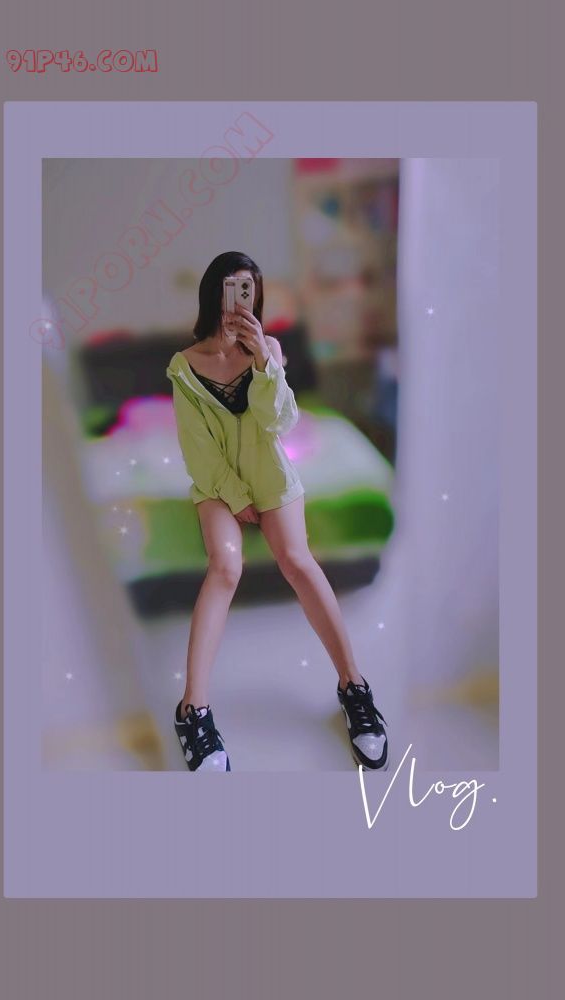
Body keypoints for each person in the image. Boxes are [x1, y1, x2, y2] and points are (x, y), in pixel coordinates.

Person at [165, 251, 389, 773]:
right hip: (216, 484)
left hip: (271, 474)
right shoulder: (184, 366)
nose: (238, 300)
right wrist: (235, 498)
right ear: (213, 294)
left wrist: (266, 363)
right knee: (225, 565)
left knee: (298, 561)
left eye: (248, 290)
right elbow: (199, 450)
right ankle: (192, 711)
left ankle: (354, 687)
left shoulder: (269, 351)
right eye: (231, 288)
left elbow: (281, 422)